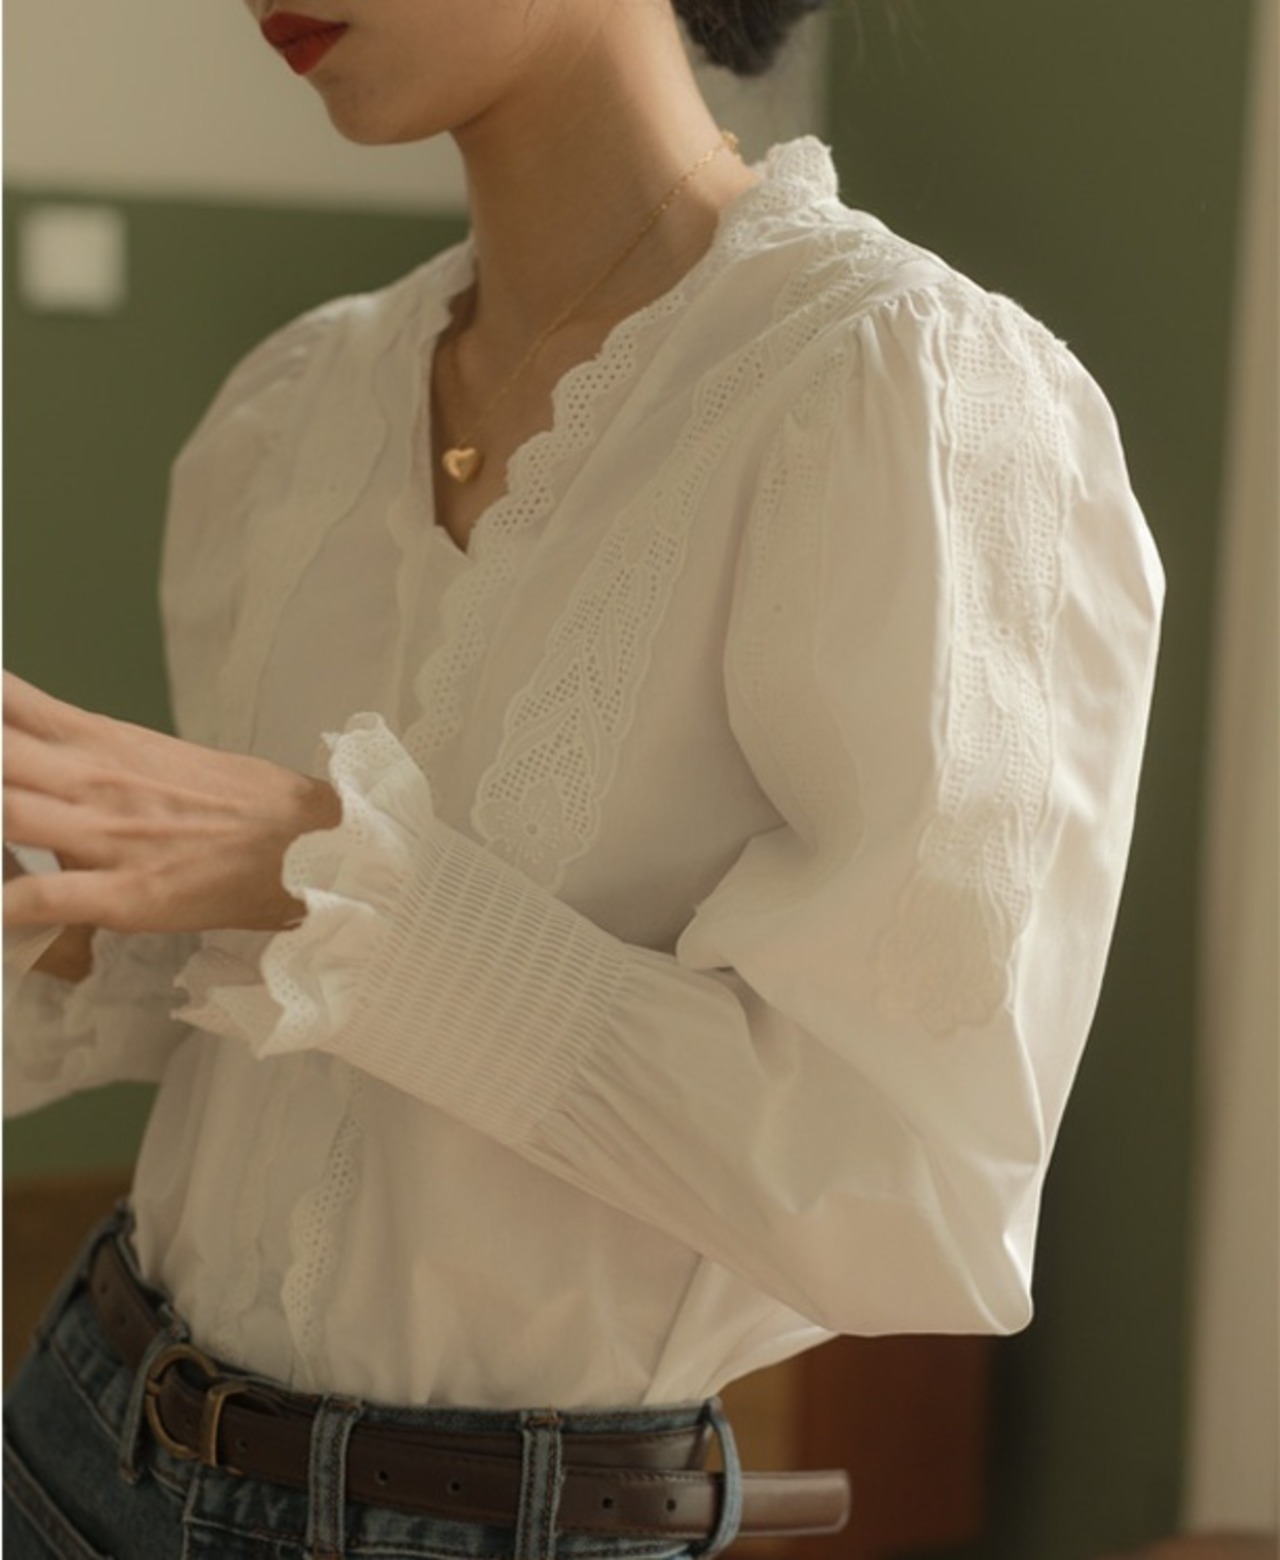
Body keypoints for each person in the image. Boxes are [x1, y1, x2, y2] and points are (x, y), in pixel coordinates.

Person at [2, 0, 1165, 1555]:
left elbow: (905, 1192)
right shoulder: (292, 409)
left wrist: (321, 867)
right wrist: (72, 897)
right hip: (76, 1438)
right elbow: (277, 1043)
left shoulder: (904, 392)